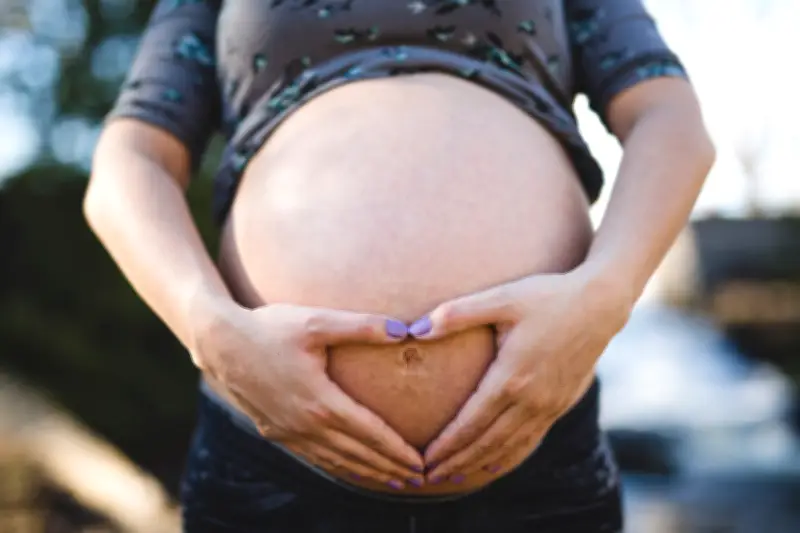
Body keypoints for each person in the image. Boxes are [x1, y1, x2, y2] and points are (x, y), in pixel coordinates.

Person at [84, 0, 714, 531]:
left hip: (538, 451)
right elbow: (131, 158)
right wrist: (211, 330)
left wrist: (607, 295)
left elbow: (669, 119)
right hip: (266, 454)